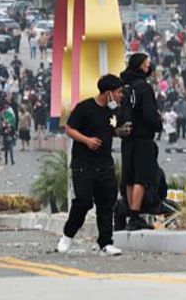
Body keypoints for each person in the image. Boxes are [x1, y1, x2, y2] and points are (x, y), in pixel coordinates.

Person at [57, 74, 128, 256]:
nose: (121, 95)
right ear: (108, 92)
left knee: (106, 204)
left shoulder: (113, 112)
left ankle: (106, 243)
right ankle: (67, 236)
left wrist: (120, 132)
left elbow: (110, 130)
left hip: (105, 165)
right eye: (119, 92)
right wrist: (87, 140)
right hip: (83, 165)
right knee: (83, 202)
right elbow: (70, 129)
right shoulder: (84, 108)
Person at [120, 53, 163, 231]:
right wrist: (158, 123)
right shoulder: (144, 88)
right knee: (142, 178)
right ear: (140, 66)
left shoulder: (124, 86)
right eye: (146, 64)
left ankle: (132, 215)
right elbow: (150, 114)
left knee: (129, 177)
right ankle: (136, 216)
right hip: (143, 138)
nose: (149, 67)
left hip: (127, 138)